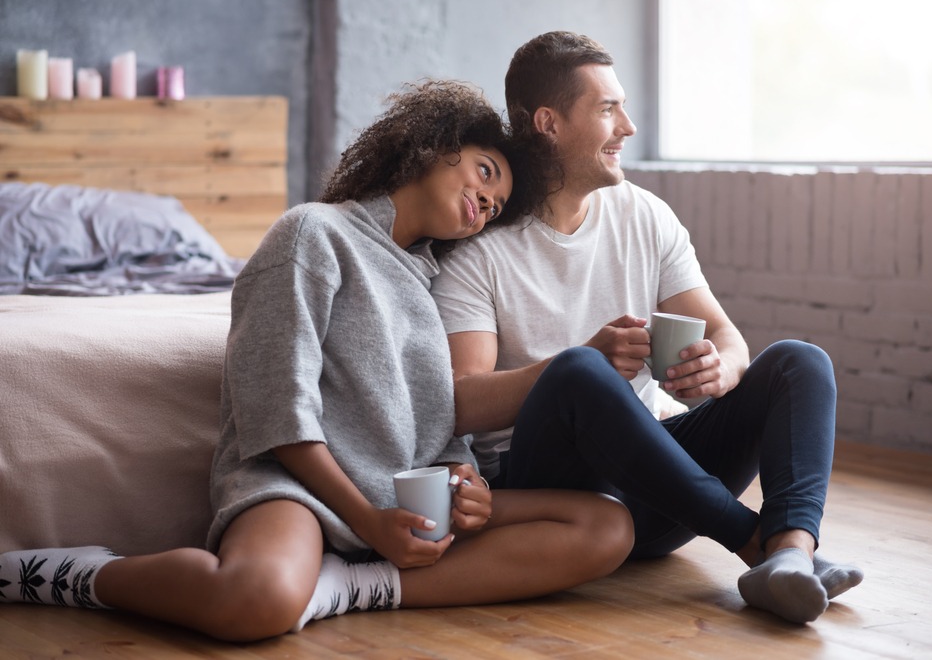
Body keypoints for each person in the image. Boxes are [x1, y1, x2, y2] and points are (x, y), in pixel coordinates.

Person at [0, 80, 634, 642]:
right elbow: (276, 410)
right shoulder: (312, 233)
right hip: (300, 486)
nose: (485, 205)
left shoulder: (433, 279)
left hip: (405, 502)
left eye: (495, 208)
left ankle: (346, 590)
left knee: (607, 527)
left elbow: (436, 418)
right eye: (485, 172)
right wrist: (368, 519)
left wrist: (465, 489)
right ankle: (80, 574)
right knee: (256, 601)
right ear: (438, 143)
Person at [431, 33, 863, 624]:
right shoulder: (480, 250)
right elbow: (460, 402)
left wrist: (722, 366)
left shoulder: (644, 214)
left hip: (661, 495)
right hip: (557, 501)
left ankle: (788, 555)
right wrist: (578, 360)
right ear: (548, 123)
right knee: (579, 370)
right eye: (607, 109)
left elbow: (729, 337)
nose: (628, 126)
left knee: (799, 361)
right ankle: (754, 540)